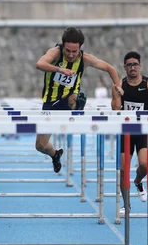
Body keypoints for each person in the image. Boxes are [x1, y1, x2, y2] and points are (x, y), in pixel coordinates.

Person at [34, 27, 123, 173]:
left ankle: (77, 105)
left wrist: (118, 86)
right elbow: (39, 64)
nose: (70, 54)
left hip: (70, 98)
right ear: (63, 46)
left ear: (80, 48)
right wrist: (60, 69)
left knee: (74, 97)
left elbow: (110, 68)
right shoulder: (55, 53)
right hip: (50, 103)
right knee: (40, 146)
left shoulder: (85, 58)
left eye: (74, 51)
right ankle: (55, 154)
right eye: (67, 50)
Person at [111, 51, 148, 215]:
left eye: (135, 64)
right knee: (122, 170)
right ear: (125, 67)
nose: (132, 67)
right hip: (125, 132)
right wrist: (117, 95)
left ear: (140, 66)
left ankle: (137, 181)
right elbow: (115, 111)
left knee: (144, 165)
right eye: (129, 65)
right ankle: (126, 204)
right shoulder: (119, 85)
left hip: (143, 131)